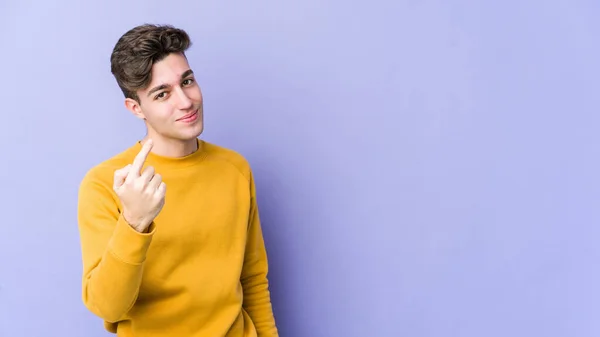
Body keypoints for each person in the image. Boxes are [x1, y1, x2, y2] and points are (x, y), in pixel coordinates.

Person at [76, 23, 279, 336]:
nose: (186, 102)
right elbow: (108, 307)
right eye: (162, 94)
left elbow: (252, 279)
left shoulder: (234, 169)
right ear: (135, 108)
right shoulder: (107, 184)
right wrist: (134, 223)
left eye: (188, 81)